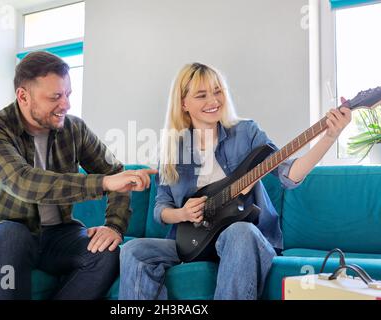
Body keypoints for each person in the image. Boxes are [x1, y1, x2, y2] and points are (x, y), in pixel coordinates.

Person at [118, 62, 351, 300]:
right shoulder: (173, 149)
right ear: (183, 103)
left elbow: (289, 175)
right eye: (202, 95)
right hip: (191, 242)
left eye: (218, 91)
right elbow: (161, 208)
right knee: (133, 250)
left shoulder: (246, 132)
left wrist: (329, 136)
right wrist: (182, 214)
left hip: (242, 240)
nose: (214, 100)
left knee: (240, 231)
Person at [0, 51, 156, 300]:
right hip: (5, 232)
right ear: (23, 96)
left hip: (58, 234)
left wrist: (114, 227)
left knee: (106, 254)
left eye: (68, 94)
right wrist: (105, 183)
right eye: (55, 97)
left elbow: (117, 173)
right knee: (14, 236)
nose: (66, 104)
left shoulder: (74, 129)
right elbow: (24, 182)